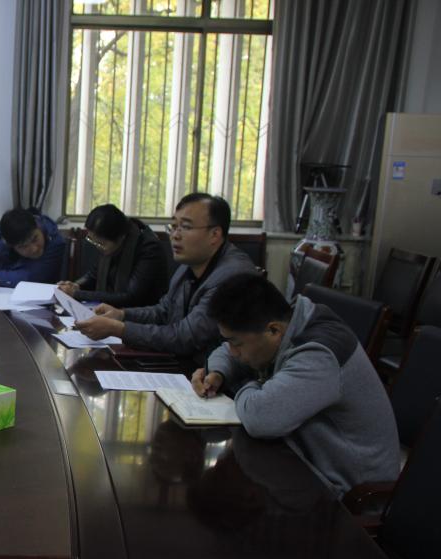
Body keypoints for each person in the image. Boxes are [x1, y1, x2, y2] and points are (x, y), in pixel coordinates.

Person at [192, 273, 400, 498]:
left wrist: (252, 383)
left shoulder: (319, 354)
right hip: (306, 461)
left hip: (348, 492)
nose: (233, 352)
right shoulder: (288, 322)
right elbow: (226, 352)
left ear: (273, 331)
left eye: (237, 343)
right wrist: (218, 374)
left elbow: (261, 418)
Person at [74, 193, 254, 368]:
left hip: (212, 376)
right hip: (185, 365)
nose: (175, 235)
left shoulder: (232, 277)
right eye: (173, 226)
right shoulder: (189, 265)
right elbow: (163, 311)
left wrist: (119, 329)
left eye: (185, 227)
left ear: (215, 234)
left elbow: (184, 338)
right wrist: (121, 314)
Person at [57, 203, 168, 307]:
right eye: (92, 241)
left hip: (139, 313)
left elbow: (131, 297)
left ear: (121, 238)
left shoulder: (149, 249)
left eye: (101, 243)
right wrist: (76, 286)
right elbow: (94, 275)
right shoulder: (108, 242)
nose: (97, 247)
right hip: (111, 310)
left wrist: (77, 294)